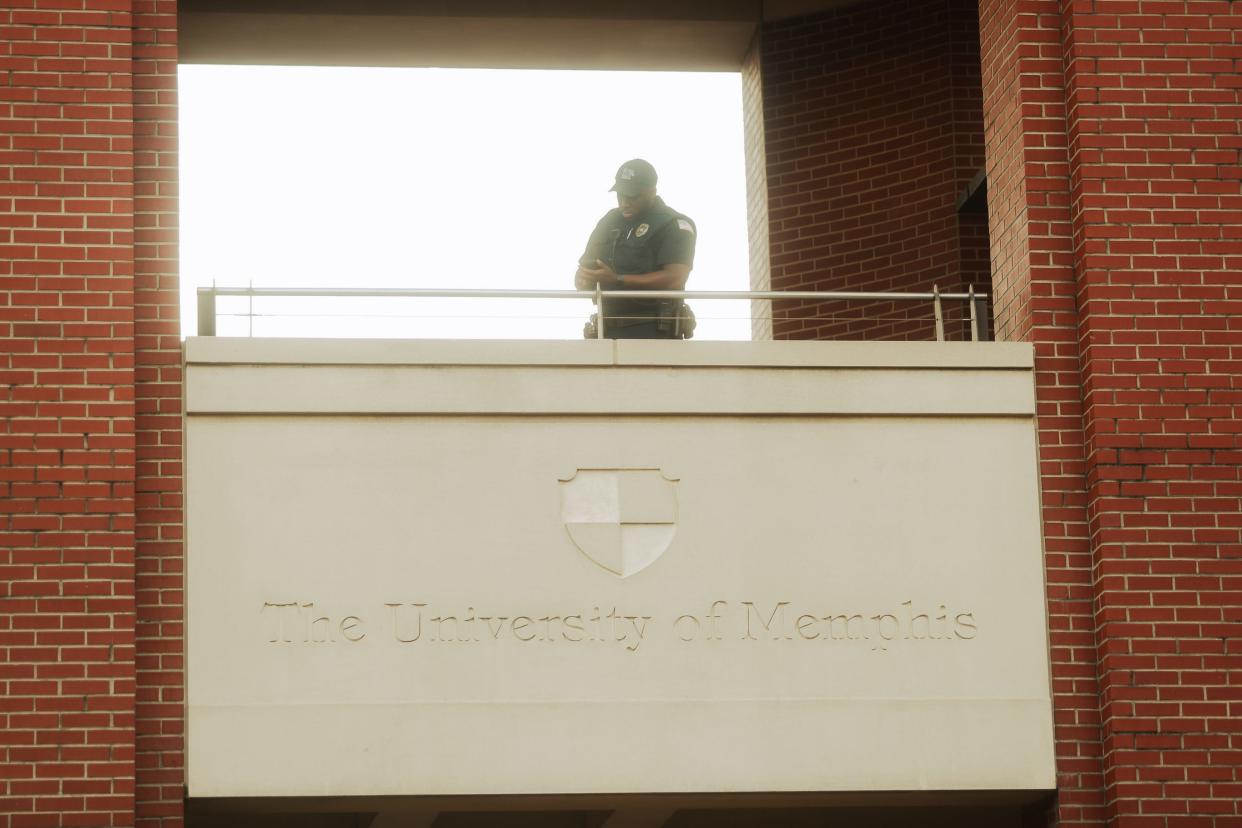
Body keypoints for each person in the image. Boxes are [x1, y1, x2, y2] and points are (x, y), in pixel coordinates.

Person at [575, 159, 696, 339]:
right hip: (605, 329)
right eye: (620, 195)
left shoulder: (674, 223)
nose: (624, 202)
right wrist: (585, 280)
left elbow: (675, 278)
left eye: (632, 196)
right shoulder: (609, 221)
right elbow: (583, 270)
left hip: (654, 331)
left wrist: (618, 280)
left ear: (652, 192)